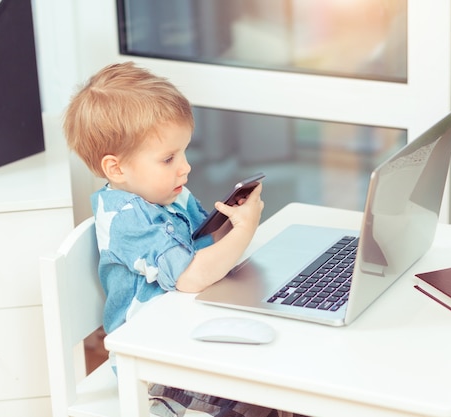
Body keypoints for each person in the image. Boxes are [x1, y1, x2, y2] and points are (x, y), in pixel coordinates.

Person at [63, 61, 298, 417]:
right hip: (154, 363)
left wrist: (230, 222)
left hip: (187, 326)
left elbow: (207, 244)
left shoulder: (170, 194)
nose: (185, 167)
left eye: (184, 151)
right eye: (169, 158)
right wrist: (246, 231)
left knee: (277, 376)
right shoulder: (127, 219)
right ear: (117, 169)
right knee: (262, 392)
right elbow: (190, 276)